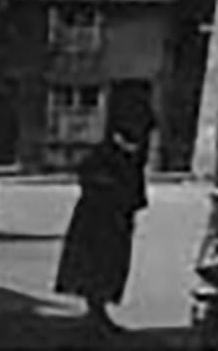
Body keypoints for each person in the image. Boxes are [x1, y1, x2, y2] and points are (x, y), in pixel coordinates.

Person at [54, 98, 152, 335]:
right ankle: (95, 313)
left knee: (110, 267)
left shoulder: (131, 156)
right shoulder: (108, 152)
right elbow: (90, 177)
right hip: (98, 221)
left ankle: (99, 312)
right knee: (97, 266)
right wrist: (114, 193)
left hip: (116, 220)